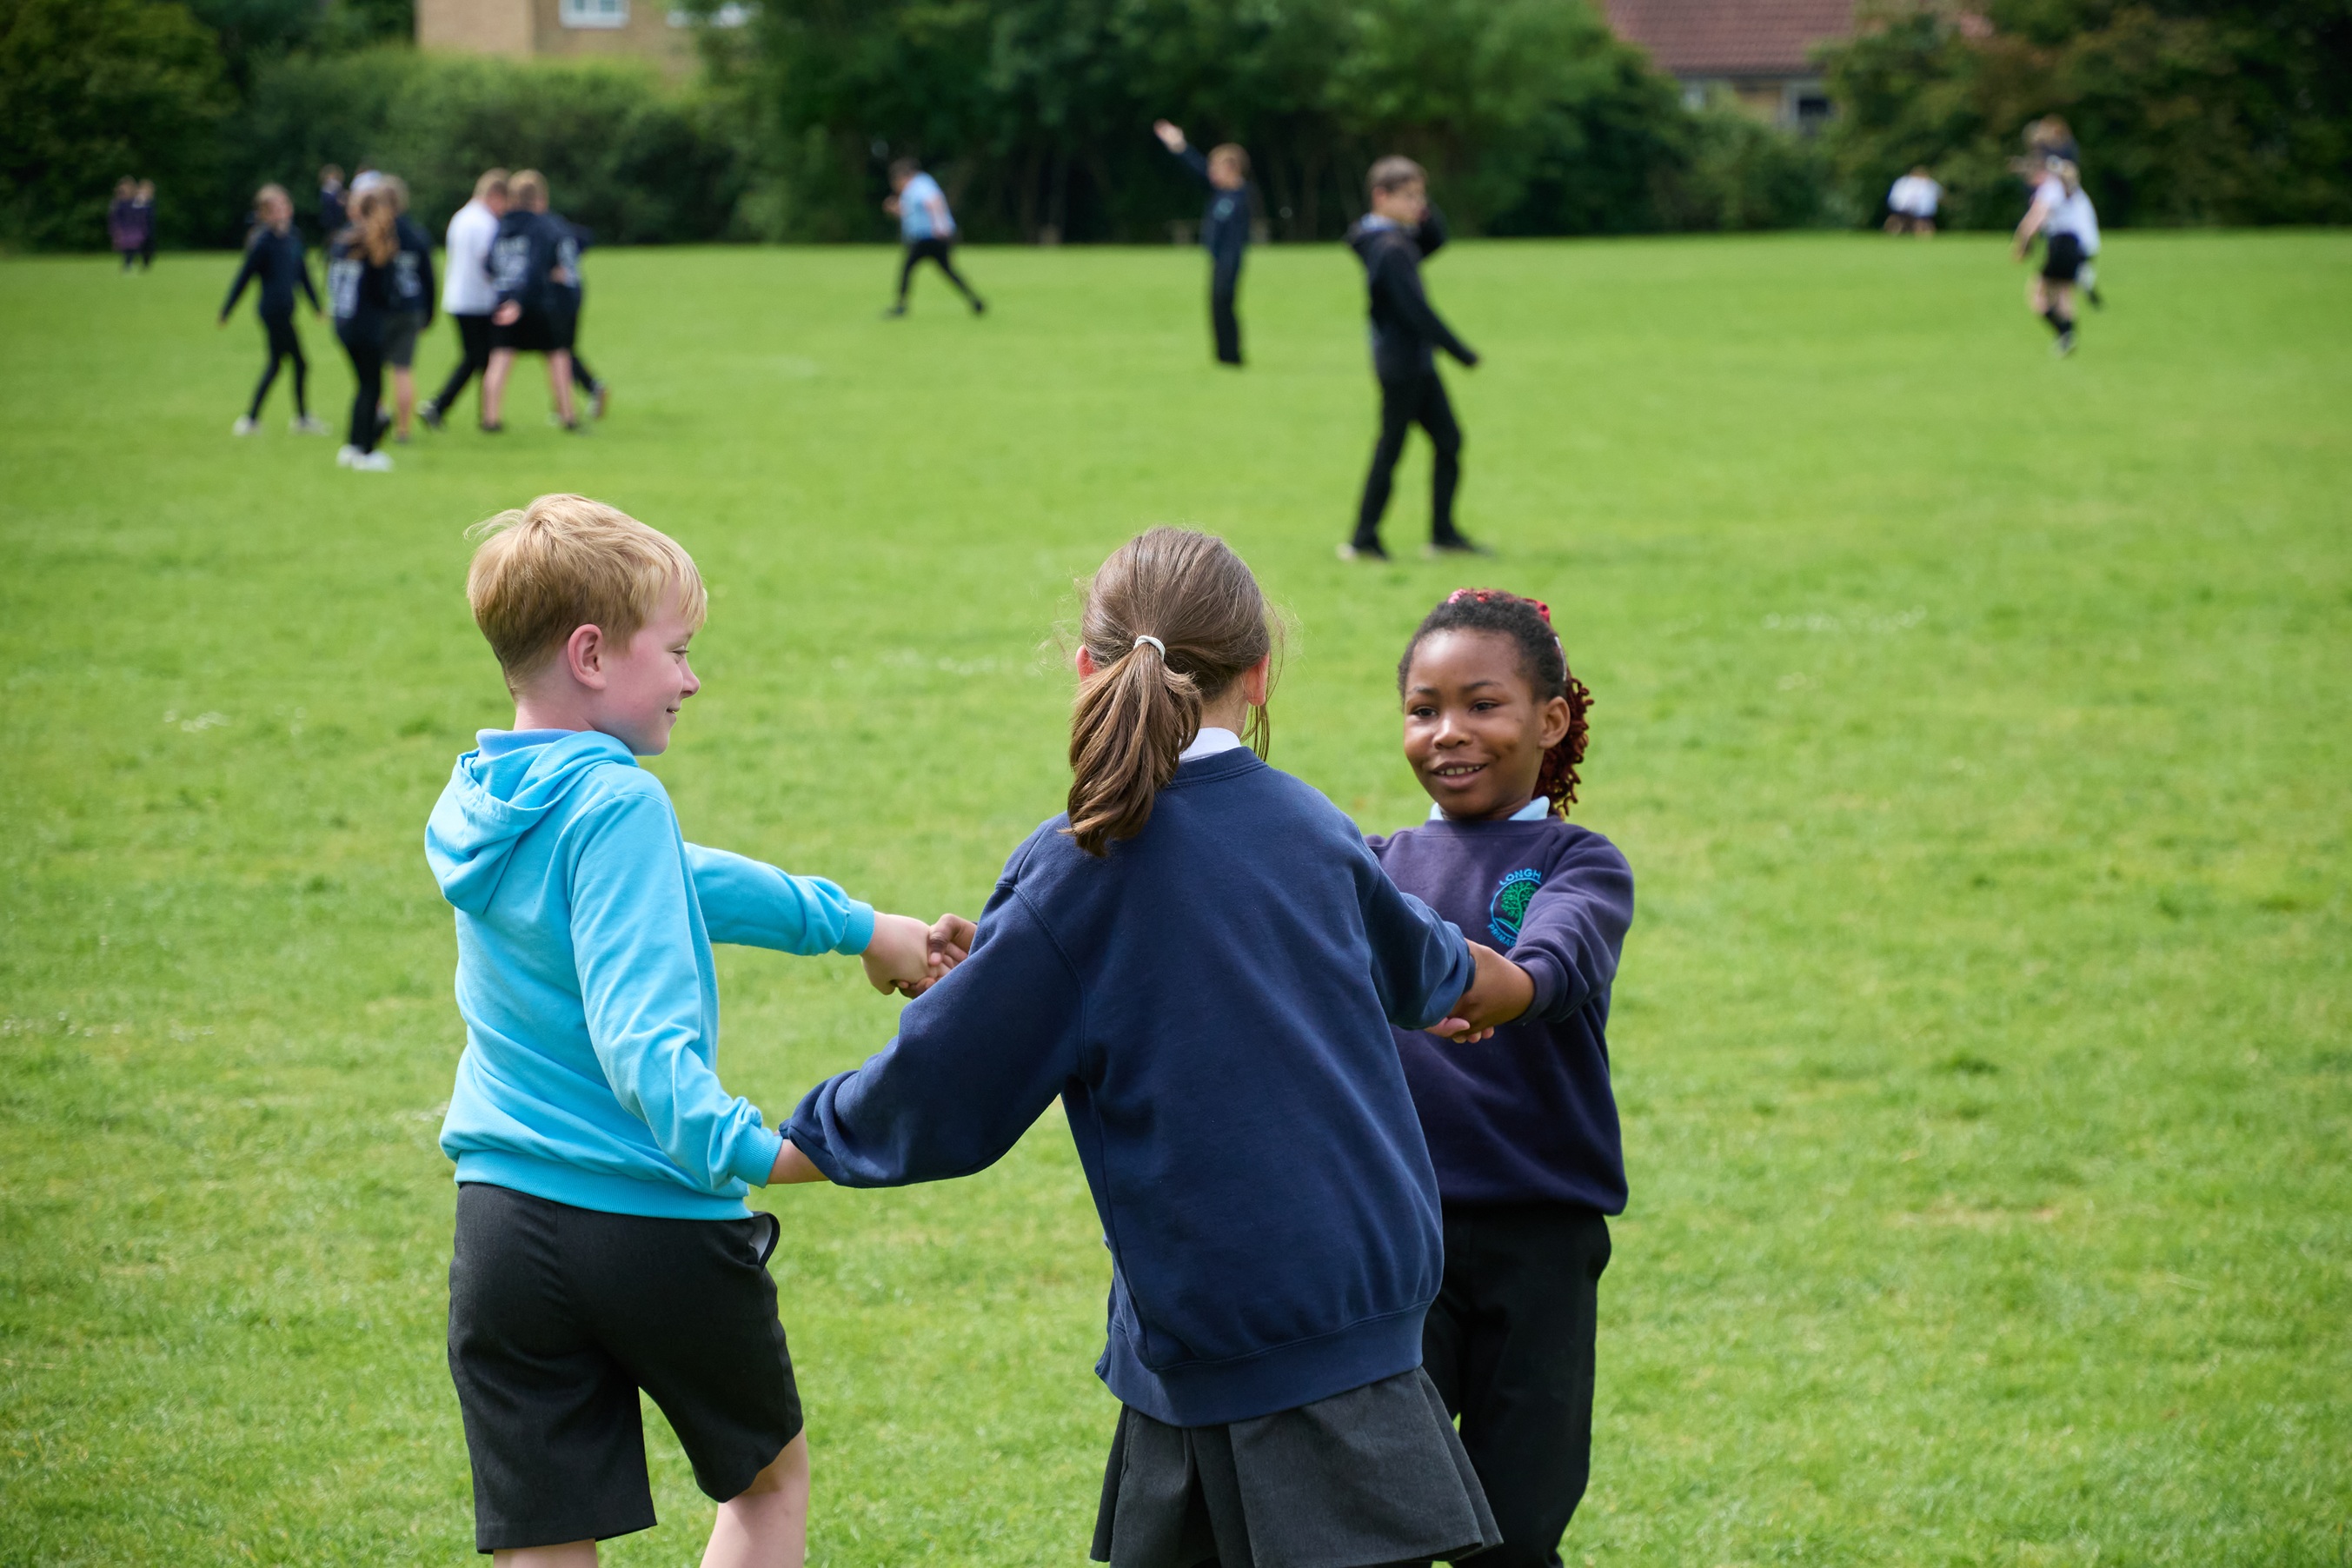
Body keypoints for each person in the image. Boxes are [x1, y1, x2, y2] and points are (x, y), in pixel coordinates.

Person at [773, 527, 1536, 1568]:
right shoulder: (1312, 827)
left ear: (1086, 670)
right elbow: (1435, 972)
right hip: (1319, 1324)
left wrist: (757, 1148)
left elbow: (941, 1091)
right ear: (1260, 676)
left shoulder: (1076, 866)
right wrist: (1524, 982)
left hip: (1244, 1335)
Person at [425, 492, 967, 1565]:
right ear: (590, 654)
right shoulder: (618, 805)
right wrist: (761, 1150)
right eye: (675, 651)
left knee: (547, 1533)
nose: (691, 677)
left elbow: (679, 881)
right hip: (648, 1222)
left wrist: (861, 926)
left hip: (499, 1227)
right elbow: (644, 1052)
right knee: (767, 1486)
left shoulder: (487, 797)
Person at [1367, 588, 1635, 1568]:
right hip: (1399, 1241)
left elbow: (1552, 969)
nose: (1450, 733)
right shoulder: (1372, 864)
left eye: (1483, 704)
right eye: (1423, 708)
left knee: (1517, 1532)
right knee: (1383, 1519)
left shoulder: (1581, 862)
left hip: (1542, 1240)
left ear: (1551, 719)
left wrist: (1481, 985)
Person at [1342, 156, 1484, 562]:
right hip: (1401, 365)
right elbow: (1416, 311)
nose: (1418, 206)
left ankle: (1443, 534)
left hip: (1415, 362)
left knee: (1448, 441)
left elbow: (1437, 238)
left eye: (1421, 196)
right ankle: (1363, 539)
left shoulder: (1390, 239)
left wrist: (1423, 201)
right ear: (1380, 197)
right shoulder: (1389, 248)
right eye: (1409, 197)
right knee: (1391, 448)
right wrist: (1461, 352)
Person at [217, 183, 328, 436]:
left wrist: (316, 306)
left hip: (286, 311)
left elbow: (303, 274)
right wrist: (227, 309)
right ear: (265, 214)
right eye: (275, 208)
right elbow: (244, 277)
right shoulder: (263, 242)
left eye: (284, 205)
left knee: (278, 364)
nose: (282, 211)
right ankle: (297, 420)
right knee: (299, 364)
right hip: (272, 312)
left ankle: (254, 419)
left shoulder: (293, 237)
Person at [482, 169, 580, 433]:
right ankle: (568, 416)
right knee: (557, 356)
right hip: (537, 303)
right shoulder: (541, 226)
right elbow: (537, 266)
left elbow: (489, 264)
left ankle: (490, 420)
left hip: (503, 301)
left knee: (499, 360)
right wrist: (523, 300)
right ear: (539, 198)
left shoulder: (502, 226)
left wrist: (507, 295)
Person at [1152, 120, 1252, 366]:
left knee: (1224, 304)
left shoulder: (1242, 196)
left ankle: (1232, 355)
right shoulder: (1219, 193)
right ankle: (1223, 355)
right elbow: (1196, 168)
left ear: (1233, 168)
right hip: (1218, 259)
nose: (1212, 173)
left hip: (1231, 258)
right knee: (1217, 307)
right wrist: (1178, 145)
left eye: (1218, 169)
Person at [422, 169, 508, 432]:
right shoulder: (484, 223)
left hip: (459, 298)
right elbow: (489, 262)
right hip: (477, 301)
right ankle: (444, 406)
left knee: (477, 358)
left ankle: (475, 412)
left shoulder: (461, 216)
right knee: (480, 358)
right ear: (495, 196)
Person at [327, 187, 399, 471]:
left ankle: (352, 445)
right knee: (372, 385)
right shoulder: (376, 243)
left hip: (343, 323)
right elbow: (383, 293)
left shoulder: (343, 240)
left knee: (362, 385)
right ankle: (365, 451)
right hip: (366, 326)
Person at [2012, 157, 2101, 356]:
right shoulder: (2070, 189)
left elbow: (2037, 217)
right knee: (2063, 293)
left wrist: (2024, 242)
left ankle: (2063, 333)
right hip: (2077, 245)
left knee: (2037, 294)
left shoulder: (2050, 188)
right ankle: (2068, 337)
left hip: (2061, 243)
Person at [883, 157, 984, 316]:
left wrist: (940, 227)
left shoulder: (919, 186)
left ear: (903, 177)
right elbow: (913, 213)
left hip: (930, 238)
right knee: (947, 271)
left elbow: (934, 203)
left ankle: (901, 307)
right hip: (929, 238)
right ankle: (976, 301)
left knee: (908, 269)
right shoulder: (917, 187)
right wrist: (895, 210)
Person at [381, 177, 437, 445]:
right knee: (403, 369)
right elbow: (429, 277)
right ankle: (403, 431)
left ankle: (376, 420)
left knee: (374, 370)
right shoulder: (416, 233)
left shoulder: (376, 233)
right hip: (412, 307)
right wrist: (429, 313)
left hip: (382, 309)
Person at [547, 205, 609, 419]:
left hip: (558, 296)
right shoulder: (561, 225)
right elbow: (585, 238)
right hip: (575, 292)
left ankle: (583, 393)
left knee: (558, 351)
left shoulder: (542, 226)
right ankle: (577, 396)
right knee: (563, 350)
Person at [1884, 166, 1942, 236]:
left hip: (1920, 210)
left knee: (1921, 221)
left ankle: (1920, 232)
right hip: (1904, 208)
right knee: (1898, 219)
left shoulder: (1928, 183)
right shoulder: (1905, 182)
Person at [108, 179, 149, 271]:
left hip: (134, 227)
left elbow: (142, 214)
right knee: (126, 246)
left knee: (134, 245)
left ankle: (130, 263)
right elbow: (114, 217)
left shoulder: (136, 201)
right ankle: (128, 263)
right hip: (124, 227)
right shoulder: (118, 202)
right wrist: (115, 229)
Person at [317, 165, 347, 246]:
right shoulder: (326, 189)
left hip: (337, 216)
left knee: (335, 235)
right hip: (330, 216)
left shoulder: (337, 188)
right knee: (331, 235)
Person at [131, 181, 157, 269]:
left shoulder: (150, 202)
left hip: (148, 229)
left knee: (149, 247)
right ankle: (134, 260)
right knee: (138, 246)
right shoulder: (136, 202)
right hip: (138, 229)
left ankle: (146, 263)